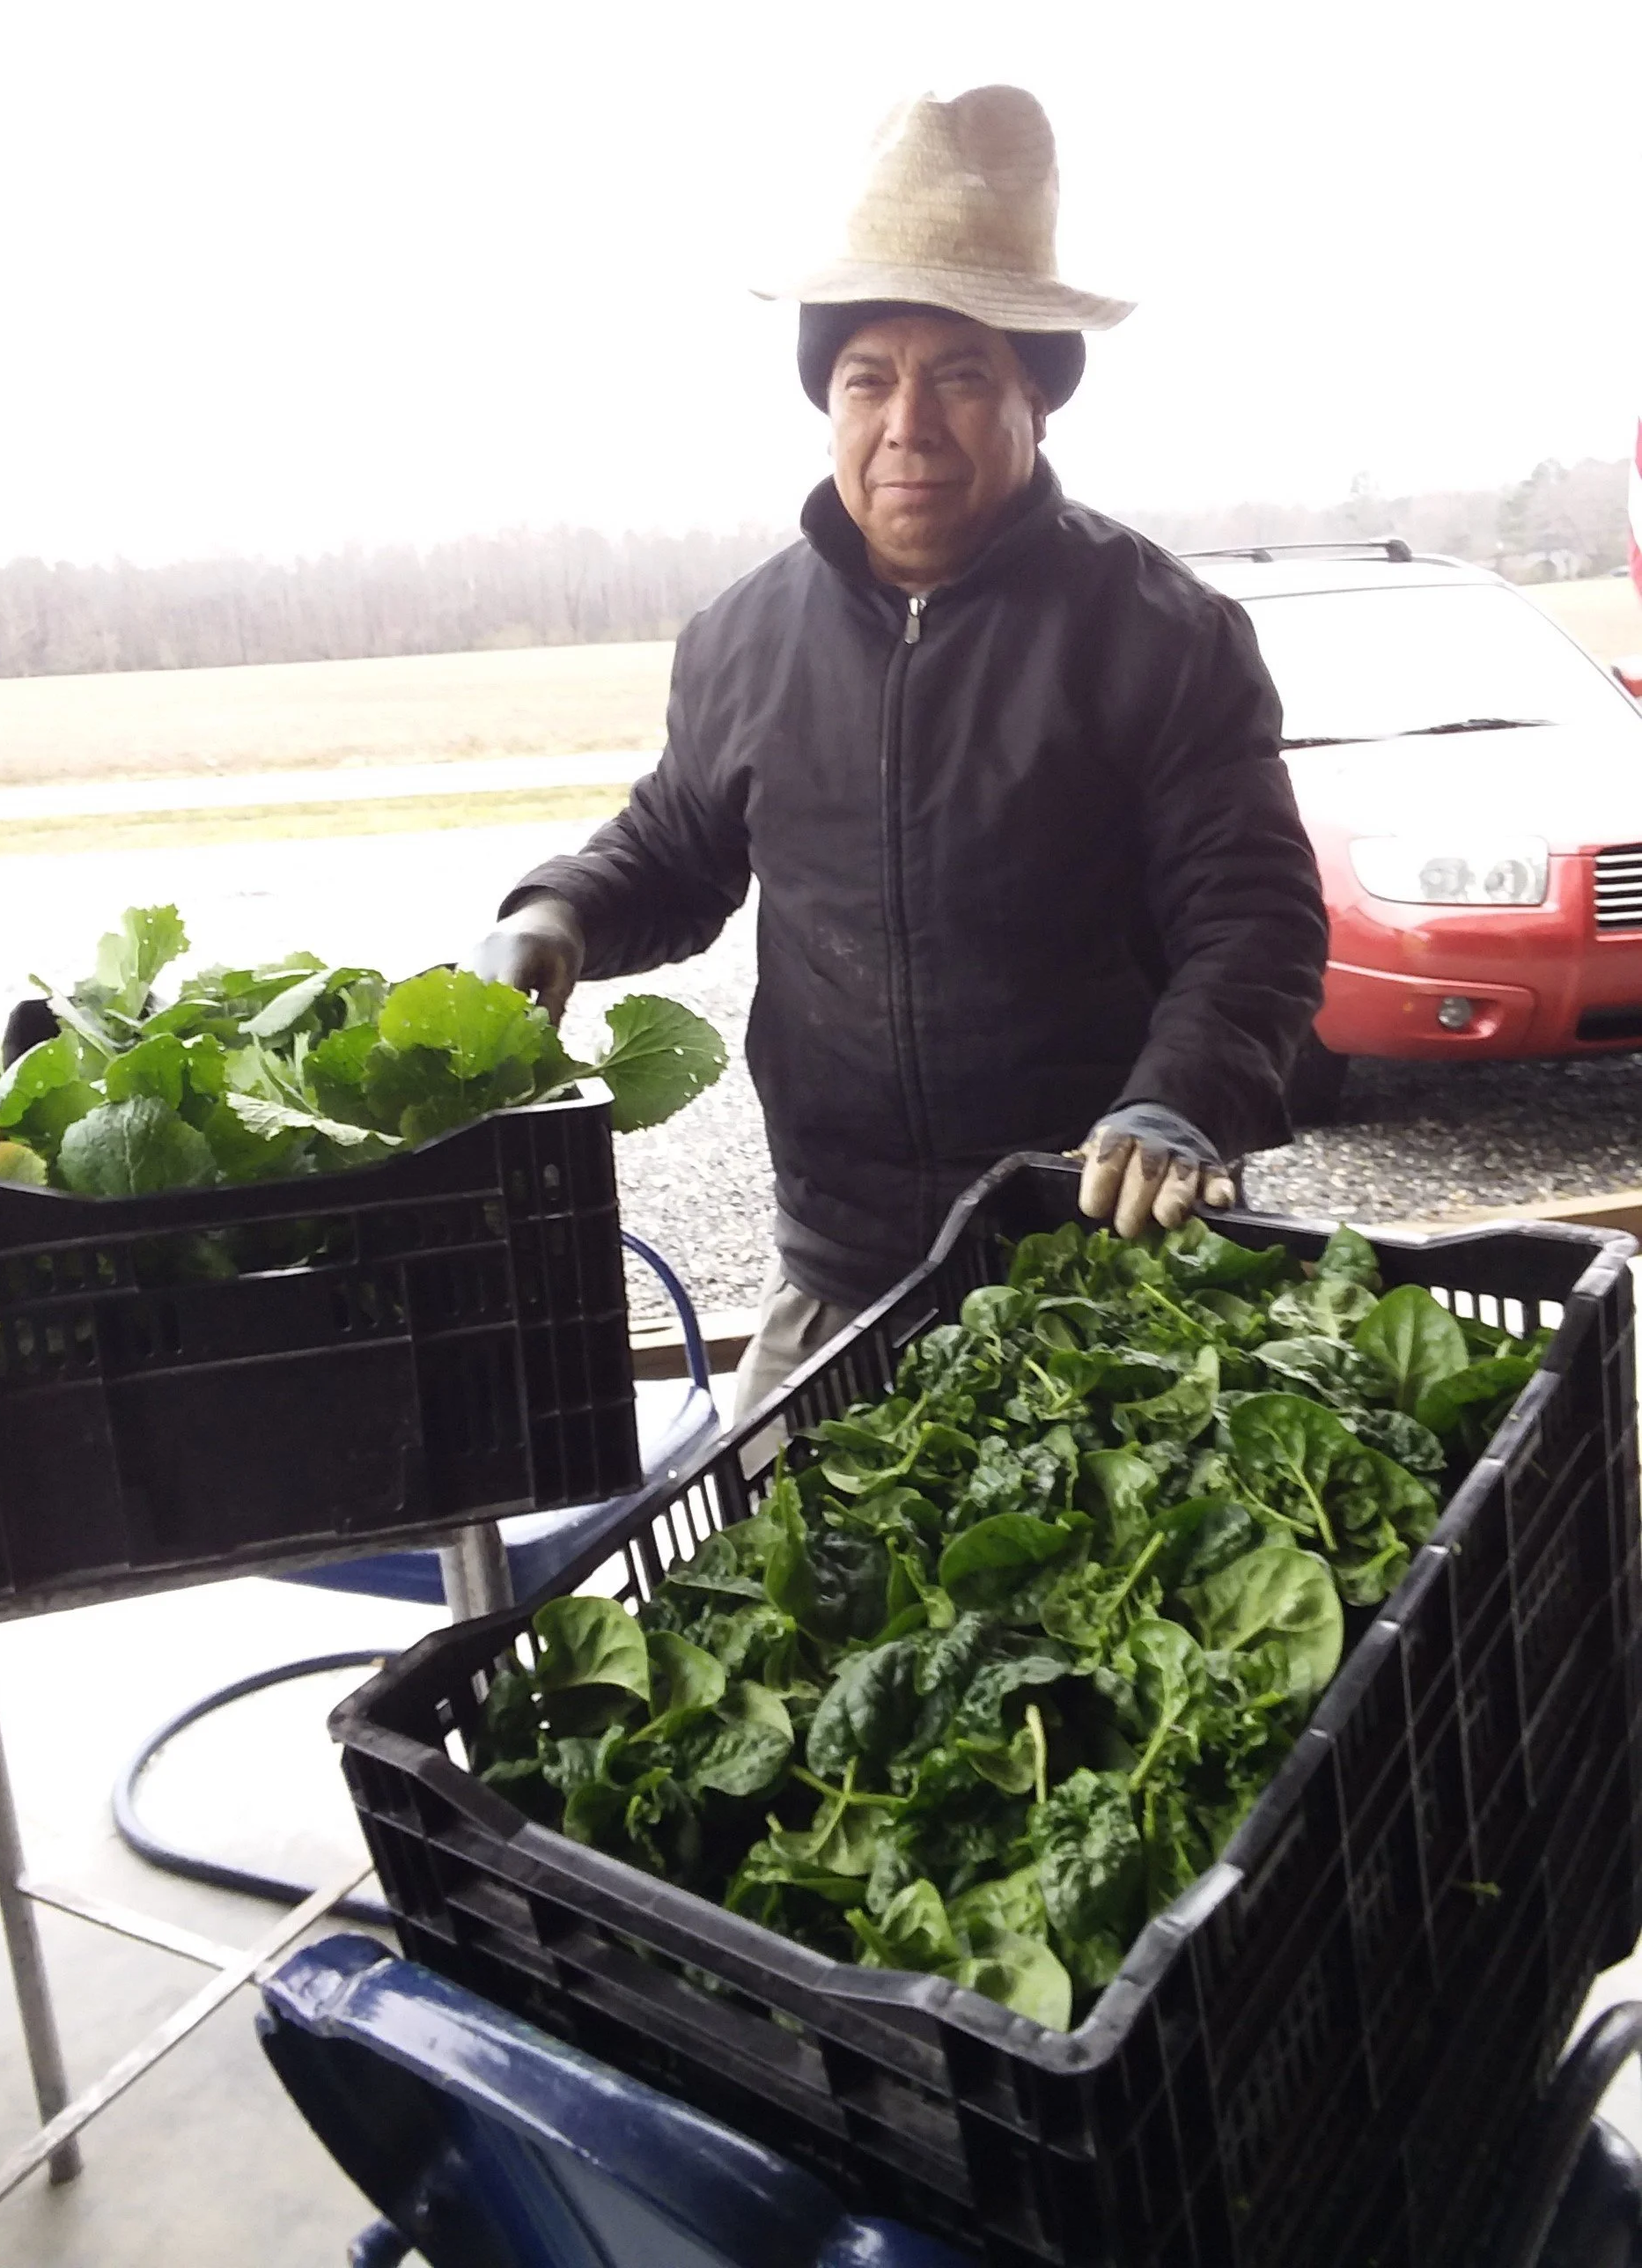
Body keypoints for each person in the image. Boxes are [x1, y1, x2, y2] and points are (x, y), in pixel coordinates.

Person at [471, 85, 1329, 1411]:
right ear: (828, 401)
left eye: (961, 376)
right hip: (841, 1261)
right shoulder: (744, 637)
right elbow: (678, 848)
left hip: (1108, 1259)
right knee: (754, 1568)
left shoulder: (1161, 634)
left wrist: (1182, 1103)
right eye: (869, 378)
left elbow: (1254, 924)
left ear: (1036, 398)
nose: (907, 423)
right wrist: (555, 917)